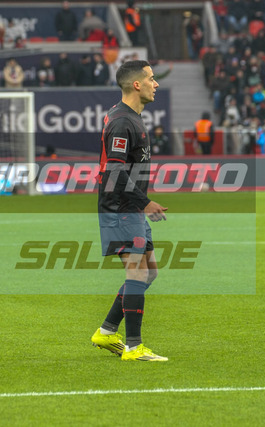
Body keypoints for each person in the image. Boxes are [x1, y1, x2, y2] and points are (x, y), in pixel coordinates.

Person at [91, 60, 168, 362]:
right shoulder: (122, 122)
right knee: (138, 271)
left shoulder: (128, 116)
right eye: (151, 78)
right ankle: (134, 347)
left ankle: (107, 332)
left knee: (149, 272)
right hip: (120, 207)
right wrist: (144, 202)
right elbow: (114, 171)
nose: (156, 84)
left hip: (129, 206)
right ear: (137, 84)